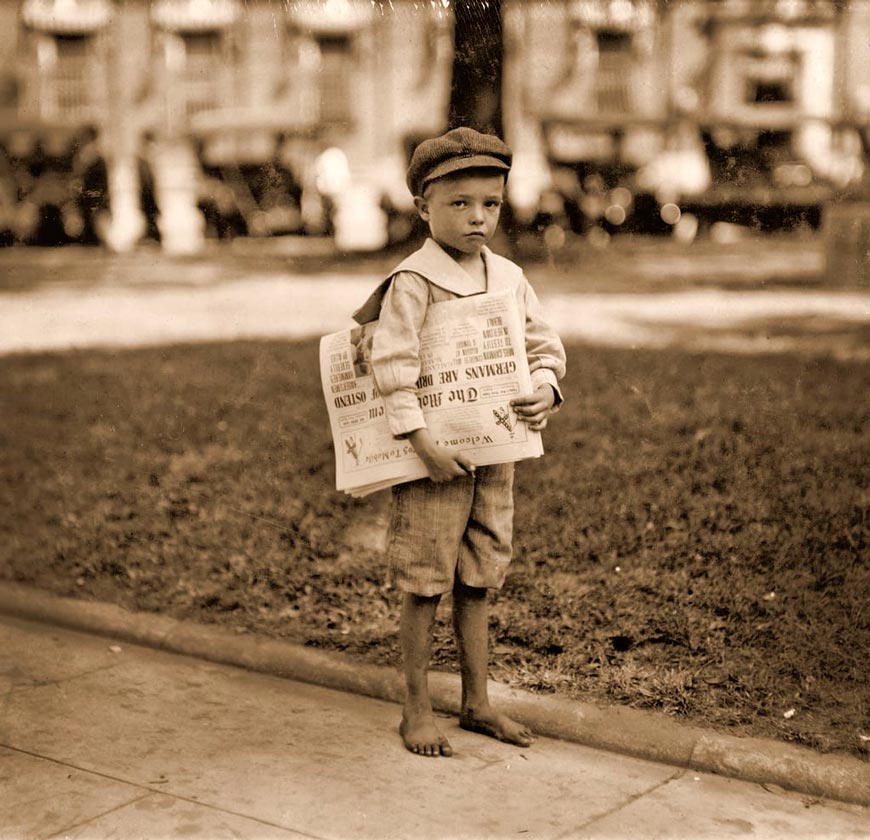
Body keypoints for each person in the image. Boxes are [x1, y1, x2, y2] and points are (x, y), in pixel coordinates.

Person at [352, 127, 567, 757]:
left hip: (495, 455)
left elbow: (542, 346)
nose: (478, 217)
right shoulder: (413, 281)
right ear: (423, 207)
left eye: (490, 204)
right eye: (459, 203)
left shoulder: (507, 276)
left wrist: (546, 387)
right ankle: (415, 708)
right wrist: (421, 443)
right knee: (424, 581)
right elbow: (391, 367)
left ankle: (478, 703)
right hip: (432, 461)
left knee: (479, 577)